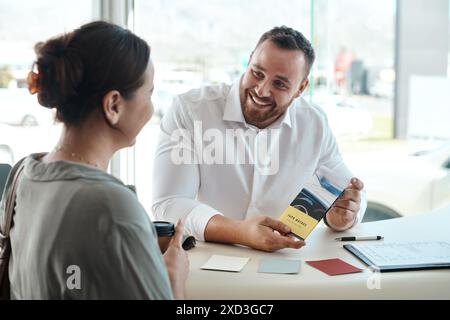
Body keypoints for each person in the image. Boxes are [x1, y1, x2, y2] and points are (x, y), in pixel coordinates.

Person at [0, 21, 188, 299]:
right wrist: (174, 280)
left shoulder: (23, 173)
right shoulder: (112, 206)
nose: (152, 107)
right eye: (148, 93)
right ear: (114, 105)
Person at [152, 26, 367, 252]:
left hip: (283, 263)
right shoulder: (191, 110)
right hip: (206, 261)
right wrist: (240, 232)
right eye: (257, 73)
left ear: (300, 88)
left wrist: (342, 216)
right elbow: (169, 202)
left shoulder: (313, 124)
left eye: (280, 84)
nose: (262, 90)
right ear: (249, 63)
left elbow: (344, 186)